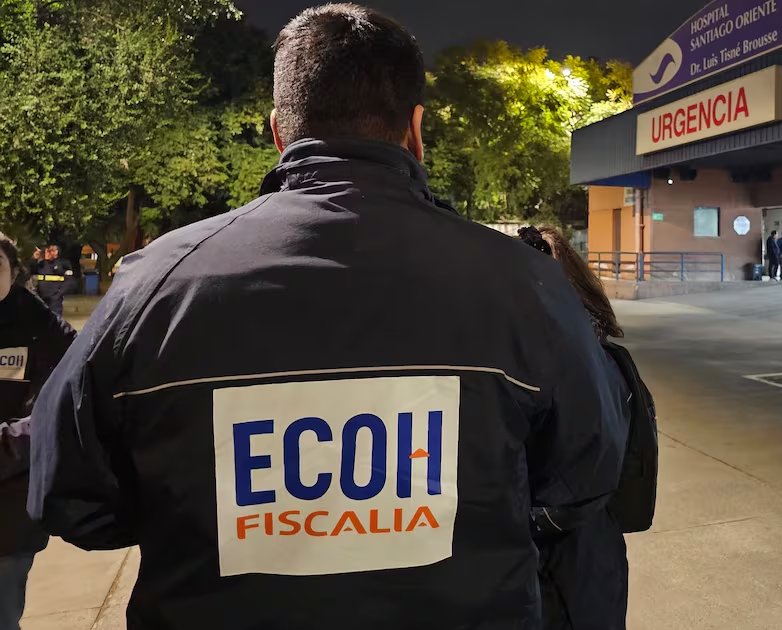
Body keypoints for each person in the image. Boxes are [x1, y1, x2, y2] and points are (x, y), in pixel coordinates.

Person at [28, 5, 628, 629]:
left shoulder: (154, 286)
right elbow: (586, 473)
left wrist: (205, 519)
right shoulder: (524, 283)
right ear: (416, 129)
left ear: (279, 133)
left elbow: (66, 493)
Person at [518, 226, 658, 630]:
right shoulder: (604, 357)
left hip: (563, 560)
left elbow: (578, 479)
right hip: (595, 552)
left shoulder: (559, 367)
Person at [0, 232, 75, 630]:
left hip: (9, 504)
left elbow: (67, 394)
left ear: (13, 272)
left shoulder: (39, 326)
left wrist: (15, 439)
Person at [30, 245, 73, 317]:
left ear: (57, 252)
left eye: (51, 251)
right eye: (47, 251)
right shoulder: (41, 264)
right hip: (42, 297)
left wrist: (59, 294)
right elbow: (31, 270)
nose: (48, 253)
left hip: (55, 299)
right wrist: (34, 259)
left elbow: (69, 281)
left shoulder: (63, 264)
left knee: (55, 318)